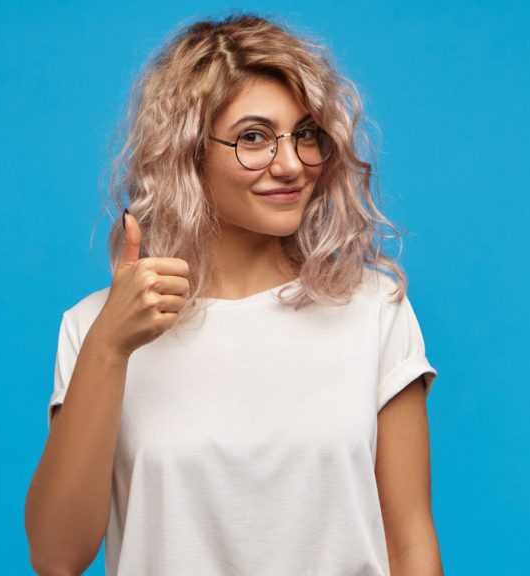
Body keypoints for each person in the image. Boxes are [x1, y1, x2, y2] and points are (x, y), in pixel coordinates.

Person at [25, 14, 444, 576]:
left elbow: (411, 546)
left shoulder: (374, 309)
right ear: (188, 152)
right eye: (253, 138)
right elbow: (57, 558)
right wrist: (108, 348)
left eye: (305, 134)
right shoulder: (94, 326)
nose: (292, 163)